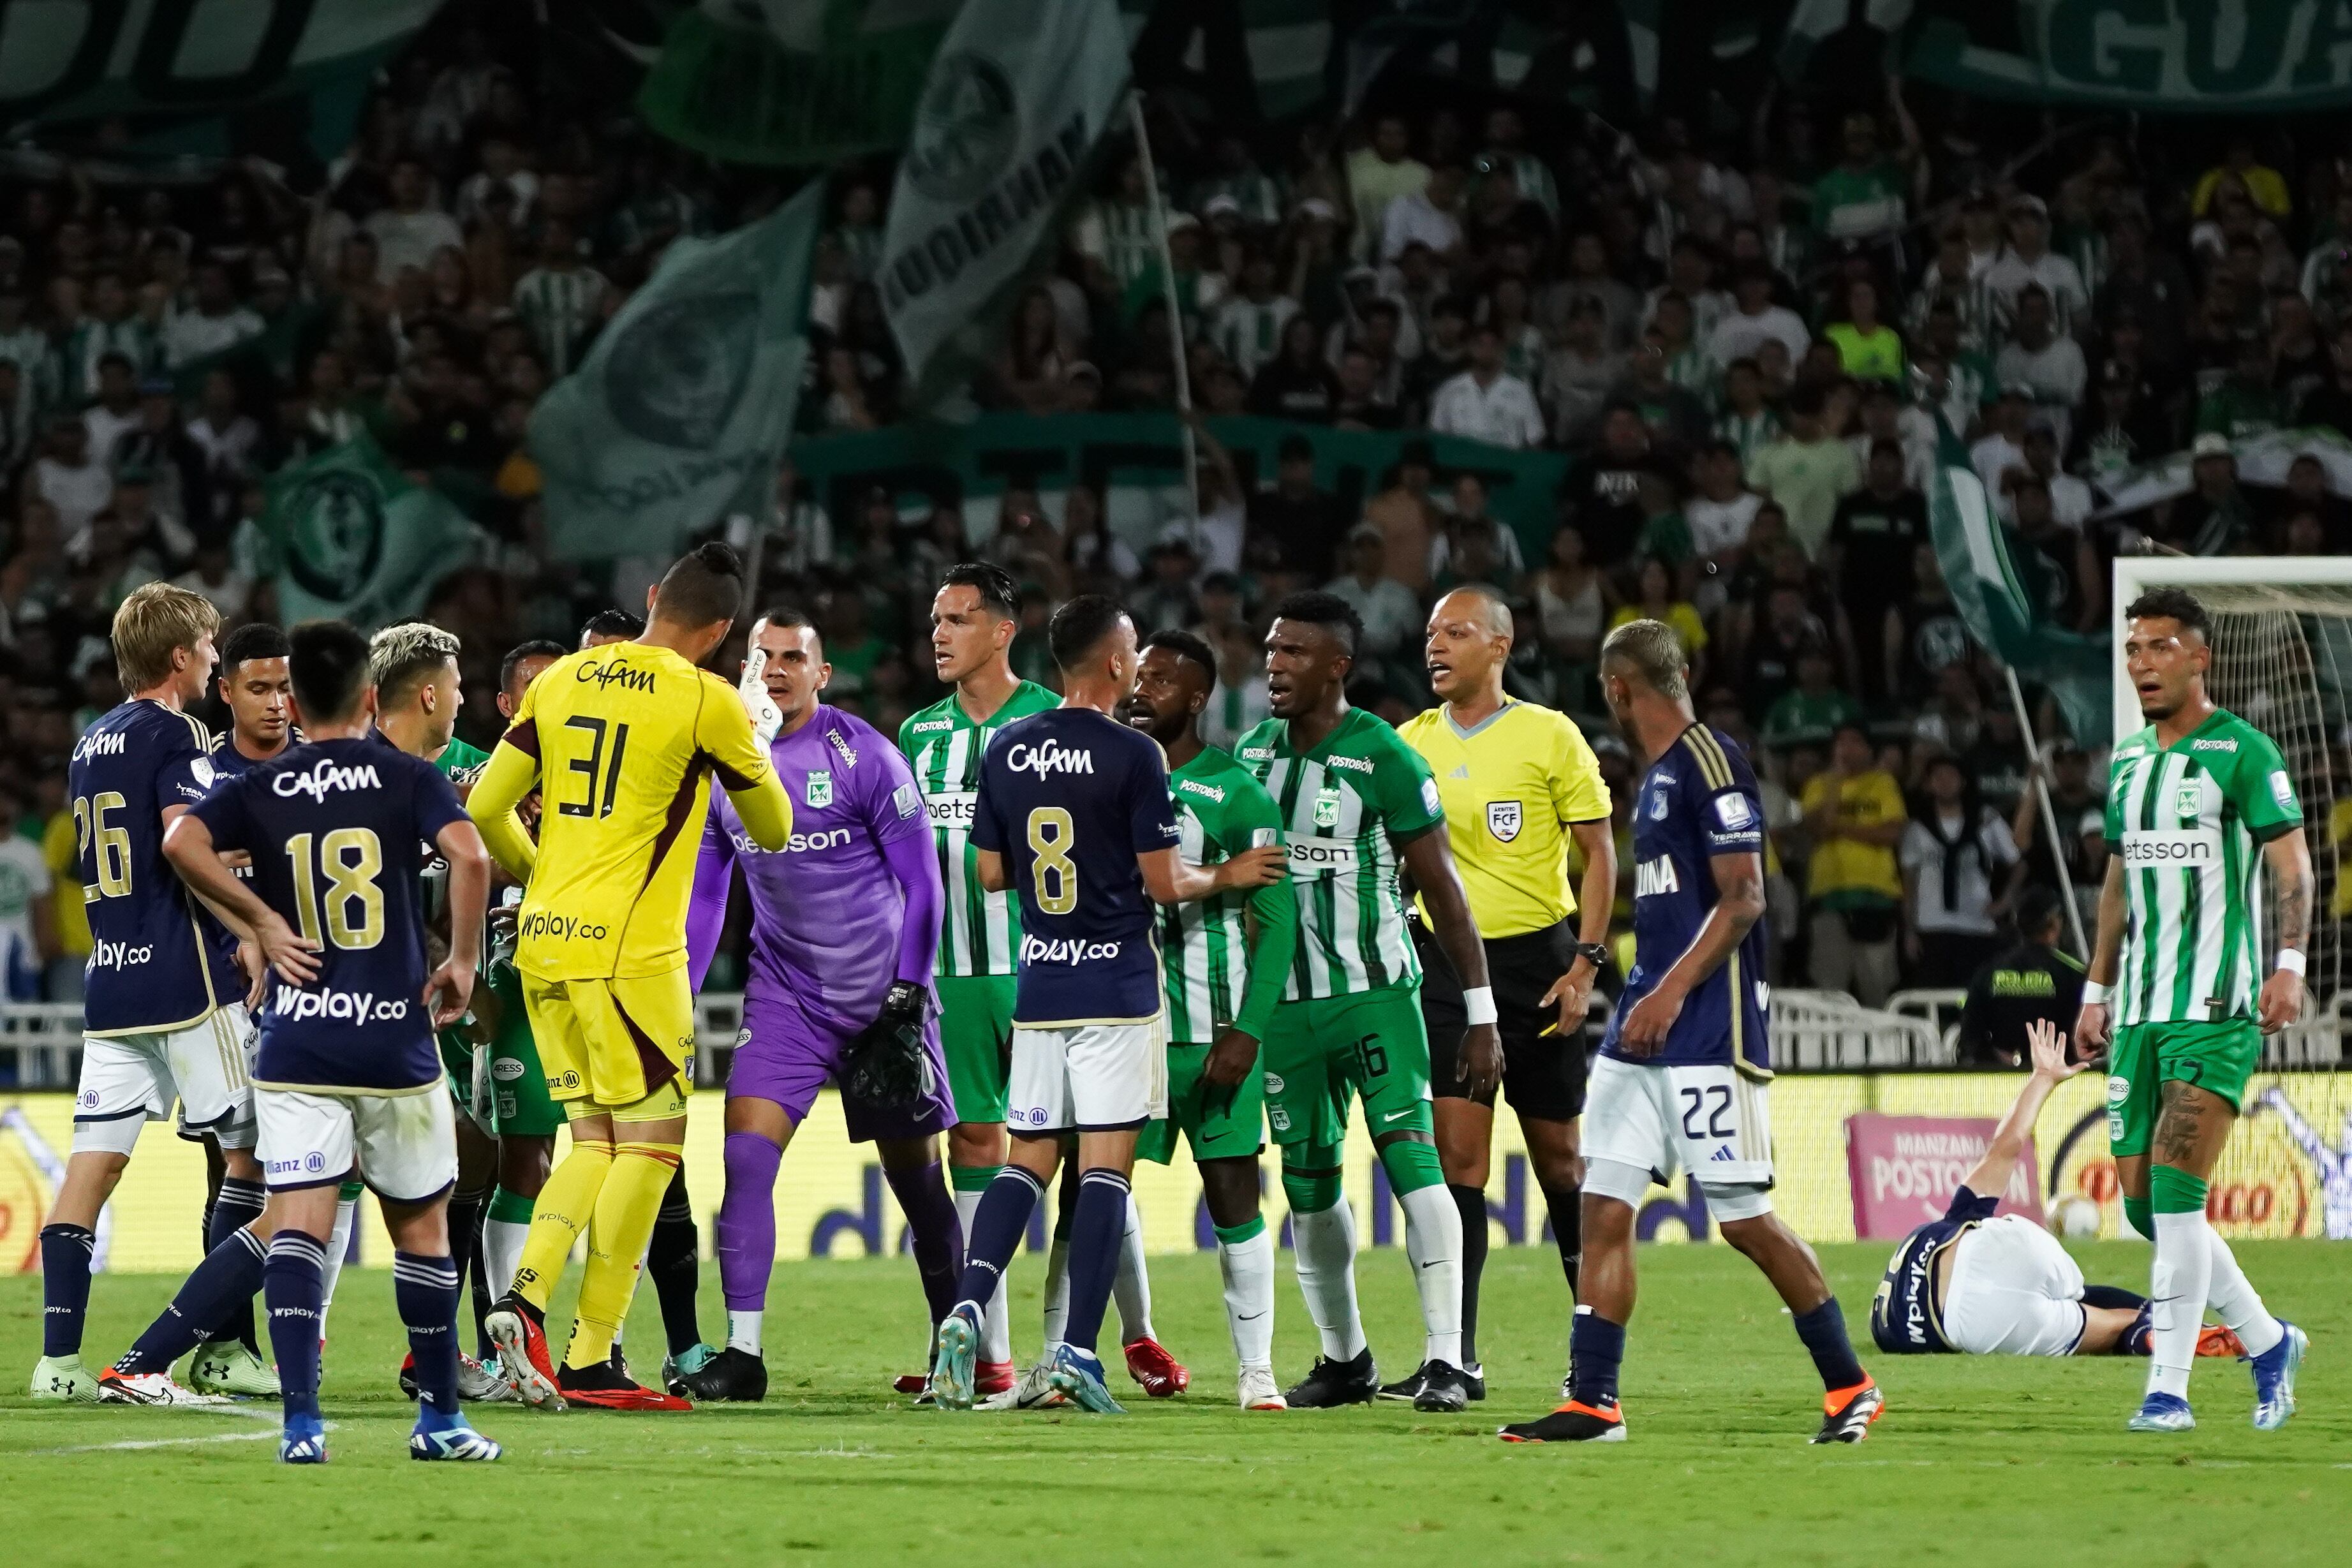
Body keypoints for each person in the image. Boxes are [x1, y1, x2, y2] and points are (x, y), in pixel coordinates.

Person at [1500, 619, 1881, 1445]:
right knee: (1601, 1207)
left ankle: (1848, 1382)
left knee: (1742, 1216)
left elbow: (1743, 897)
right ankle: (1593, 1399)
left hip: (1708, 1027)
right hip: (1641, 1031)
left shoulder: (1712, 760)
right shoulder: (1657, 777)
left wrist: (1668, 993)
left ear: (1614, 688)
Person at [157, 618, 499, 1464]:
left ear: (296, 701)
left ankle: (303, 1425)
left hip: (298, 1044)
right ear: (373, 697)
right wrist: (459, 961)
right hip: (392, 1039)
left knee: (300, 1226)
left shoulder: (263, 786)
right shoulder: (407, 775)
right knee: (420, 1228)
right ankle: (441, 1422)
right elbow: (472, 857)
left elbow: (178, 841)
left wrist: (263, 922)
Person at [929, 596, 1283, 1412]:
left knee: (1025, 1162)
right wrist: (1223, 876)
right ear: (1115, 661)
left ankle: (966, 1309)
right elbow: (1166, 883)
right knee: (1104, 1172)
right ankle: (1077, 1355)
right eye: (1131, 653)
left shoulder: (1008, 748)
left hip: (1040, 979)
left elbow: (989, 874)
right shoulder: (1135, 756)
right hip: (1118, 988)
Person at [470, 542, 794, 1412]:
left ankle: (549, 1324)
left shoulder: (560, 678)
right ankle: (565, 1335)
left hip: (542, 943)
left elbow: (484, 808)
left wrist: (537, 876)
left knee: (596, 1143)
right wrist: (755, 738)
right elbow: (770, 828)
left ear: (652, 597)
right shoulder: (707, 699)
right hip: (630, 956)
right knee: (649, 1148)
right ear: (723, 631)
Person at [667, 609, 960, 1403]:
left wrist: (909, 986)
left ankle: (955, 1340)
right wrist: (683, 993)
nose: (776, 669)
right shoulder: (723, 764)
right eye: (761, 655)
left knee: (917, 1182)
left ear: (821, 674)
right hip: (786, 996)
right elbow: (707, 891)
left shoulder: (863, 755)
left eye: (793, 656)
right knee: (746, 1157)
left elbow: (923, 884)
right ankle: (746, 1352)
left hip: (881, 1001)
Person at [1236, 591, 1500, 1414]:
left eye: (1293, 653)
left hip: (1375, 993)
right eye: (1271, 650)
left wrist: (1483, 1012)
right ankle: (1344, 1357)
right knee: (1307, 1182)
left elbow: (1444, 893)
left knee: (1410, 1157)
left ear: (1336, 666)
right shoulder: (1248, 756)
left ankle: (1449, 1358)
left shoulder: (1384, 757)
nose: (1275, 665)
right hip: (1281, 1008)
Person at [2075, 588, 2309, 1433]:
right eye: (2132, 648)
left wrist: (2288, 963)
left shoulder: (2240, 751)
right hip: (2136, 1009)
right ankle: (2266, 1338)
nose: (2140, 662)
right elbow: (2114, 881)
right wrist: (2094, 988)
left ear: (2198, 657)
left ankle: (2165, 1390)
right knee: (2142, 1206)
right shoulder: (2128, 761)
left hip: (2215, 1006)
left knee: (2174, 1198)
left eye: (2158, 646)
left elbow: (2291, 865)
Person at [32, 584, 260, 1406]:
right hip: (188, 981)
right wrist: (256, 913)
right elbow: (182, 841)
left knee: (88, 1172)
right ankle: (218, 1351)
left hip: (113, 983)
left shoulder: (91, 740)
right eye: (208, 645)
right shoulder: (178, 731)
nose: (213, 657)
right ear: (179, 657)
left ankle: (56, 1362)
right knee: (257, 1160)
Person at [1399, 588, 1615, 1402]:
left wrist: (1586, 966)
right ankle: (1455, 1358)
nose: (1437, 646)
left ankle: (1592, 1352)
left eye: (1455, 632)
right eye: (1430, 635)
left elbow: (1599, 855)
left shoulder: (1548, 734)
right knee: (1459, 1161)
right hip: (1449, 971)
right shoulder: (1407, 744)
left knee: (1561, 1160)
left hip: (1540, 966)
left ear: (1500, 644)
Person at [1116, 630, 1301, 1410]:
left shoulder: (1236, 793)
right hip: (1126, 1029)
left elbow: (1276, 922)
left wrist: (1250, 1028)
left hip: (1217, 1032)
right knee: (1100, 1191)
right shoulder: (1111, 778)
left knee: (1233, 1197)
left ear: (1196, 699)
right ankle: (1114, 1346)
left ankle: (1255, 1370)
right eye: (1138, 674)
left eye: (1161, 680)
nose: (1141, 688)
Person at [896, 565, 1067, 1400]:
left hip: (1047, 968)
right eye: (935, 618)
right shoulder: (917, 735)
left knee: (1069, 1154)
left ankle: (1083, 1346)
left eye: (957, 619)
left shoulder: (1050, 719)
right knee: (972, 1143)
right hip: (952, 976)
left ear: (1002, 631)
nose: (939, 632)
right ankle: (984, 1347)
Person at [1871, 1019, 2247, 1361]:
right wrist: (2042, 1078)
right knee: (2079, 1293)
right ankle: (2172, 1320)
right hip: (2000, 1250)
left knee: (2107, 1326)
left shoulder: (1887, 1329)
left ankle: (2150, 1333)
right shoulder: (1941, 1231)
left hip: (1970, 1324)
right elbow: (2008, 1144)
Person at [367, 621, 510, 1401]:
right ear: (429, 692)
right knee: (375, 1191)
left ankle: (436, 1355)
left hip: (437, 1017)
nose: (460, 697)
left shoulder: (470, 771)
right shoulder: (380, 776)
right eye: (455, 684)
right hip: (387, 1014)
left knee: (460, 1167)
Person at [1800, 723, 1907, 1007]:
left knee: (1877, 987)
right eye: (1841, 743)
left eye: (1856, 742)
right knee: (1830, 990)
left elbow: (1891, 833)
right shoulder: (1818, 785)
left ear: (1870, 750)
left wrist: (1842, 828)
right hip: (1829, 896)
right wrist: (1835, 783)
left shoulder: (1883, 783)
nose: (1848, 749)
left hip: (1876, 896)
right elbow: (1820, 829)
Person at [1898, 753, 2024, 988]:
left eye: (1951, 776)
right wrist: (1909, 931)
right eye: (1938, 776)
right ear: (1928, 784)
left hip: (1976, 925)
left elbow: (2018, 863)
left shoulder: (1986, 820)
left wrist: (2005, 902)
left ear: (1963, 782)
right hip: (1931, 926)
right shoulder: (1917, 828)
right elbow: (1909, 884)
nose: (1944, 781)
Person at [1955, 887, 2083, 1067]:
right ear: (2055, 923)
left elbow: (1970, 1032)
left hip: (1998, 1077)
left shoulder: (1989, 970)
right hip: (2057, 1075)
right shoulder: (2072, 971)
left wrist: (1996, 1058)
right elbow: (2082, 1031)